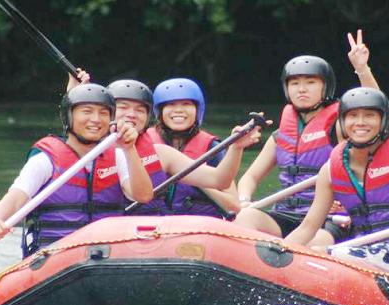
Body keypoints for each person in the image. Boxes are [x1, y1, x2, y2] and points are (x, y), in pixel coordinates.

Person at [285, 87, 389, 278]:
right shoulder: (330, 171)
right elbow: (308, 227)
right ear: (342, 121)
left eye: (369, 115)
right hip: (364, 252)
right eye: (353, 116)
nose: (360, 122)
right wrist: (280, 251)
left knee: (321, 254)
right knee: (306, 252)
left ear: (383, 121)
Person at [234, 30, 379, 241]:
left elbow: (373, 105)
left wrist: (361, 69)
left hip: (330, 219)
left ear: (325, 87)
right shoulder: (280, 135)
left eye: (310, 83)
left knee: (316, 241)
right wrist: (244, 200)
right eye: (294, 83)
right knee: (245, 219)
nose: (302, 89)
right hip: (286, 214)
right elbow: (250, 176)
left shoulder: (340, 127)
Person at [0, 83, 154, 257]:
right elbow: (16, 198)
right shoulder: (45, 160)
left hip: (108, 255)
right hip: (56, 255)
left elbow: (143, 196)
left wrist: (129, 149)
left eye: (103, 113)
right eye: (87, 111)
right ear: (69, 117)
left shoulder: (118, 155)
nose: (96, 119)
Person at [70, 70, 264, 215]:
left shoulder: (162, 153)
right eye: (123, 107)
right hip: (96, 237)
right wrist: (74, 92)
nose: (131, 114)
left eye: (140, 109)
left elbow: (219, 180)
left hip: (146, 236)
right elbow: (73, 123)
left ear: (148, 116)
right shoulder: (87, 147)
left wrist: (236, 147)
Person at [145, 77, 240, 217]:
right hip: (153, 223)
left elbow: (234, 205)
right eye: (170, 104)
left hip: (197, 225)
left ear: (197, 110)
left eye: (186, 104)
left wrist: (194, 181)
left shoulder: (212, 148)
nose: (178, 110)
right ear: (160, 111)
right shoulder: (144, 143)